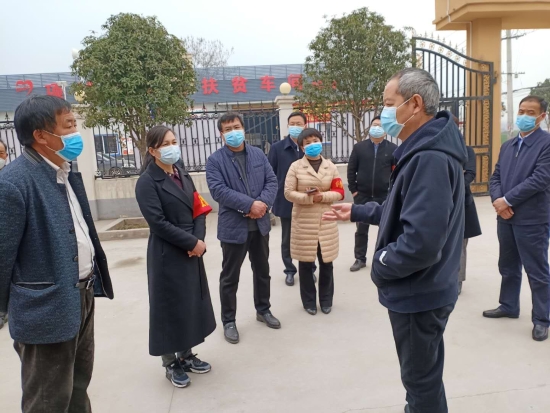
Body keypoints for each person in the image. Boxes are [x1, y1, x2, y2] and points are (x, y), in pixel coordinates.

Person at [323, 68, 466, 413]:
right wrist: (359, 211)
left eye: (389, 104)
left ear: (414, 104)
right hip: (427, 287)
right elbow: (404, 210)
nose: (384, 113)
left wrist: (381, 265)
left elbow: (421, 243)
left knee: (420, 383)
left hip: (419, 292)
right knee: (424, 377)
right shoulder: (424, 149)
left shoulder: (429, 158)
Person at [0, 95, 114, 413]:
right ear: (41, 135)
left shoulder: (64, 172)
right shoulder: (13, 183)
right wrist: (13, 309)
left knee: (77, 386)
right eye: (69, 125)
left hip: (82, 295)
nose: (76, 133)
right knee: (47, 400)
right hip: (44, 309)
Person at [135, 126, 216, 388]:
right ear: (152, 151)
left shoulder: (183, 173)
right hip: (166, 253)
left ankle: (186, 354)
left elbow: (199, 208)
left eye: (174, 141)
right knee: (168, 307)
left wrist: (198, 240)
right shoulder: (147, 182)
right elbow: (157, 223)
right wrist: (191, 242)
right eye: (165, 144)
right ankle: (170, 362)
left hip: (192, 248)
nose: (172, 147)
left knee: (189, 302)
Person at [206, 112, 280, 344]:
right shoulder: (215, 161)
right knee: (230, 277)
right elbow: (218, 190)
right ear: (221, 134)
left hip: (260, 226)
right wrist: (250, 205)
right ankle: (229, 321)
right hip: (233, 228)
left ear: (243, 129)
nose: (233, 132)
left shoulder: (258, 154)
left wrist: (262, 205)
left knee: (262, 271)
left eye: (236, 127)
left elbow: (272, 181)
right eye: (228, 129)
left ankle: (263, 309)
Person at [484, 95, 550, 342]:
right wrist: (498, 201)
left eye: (531, 112)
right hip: (506, 217)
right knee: (508, 265)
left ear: (542, 116)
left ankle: (541, 319)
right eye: (522, 111)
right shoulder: (508, 145)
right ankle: (509, 305)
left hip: (532, 218)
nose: (524, 116)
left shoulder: (546, 144)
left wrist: (507, 200)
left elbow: (540, 179)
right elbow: (496, 177)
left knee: (537, 270)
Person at [284, 128, 344, 315]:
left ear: (321, 142)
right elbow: (288, 193)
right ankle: (309, 302)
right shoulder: (295, 167)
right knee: (305, 263)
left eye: (315, 141)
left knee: (326, 262)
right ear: (302, 147)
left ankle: (326, 300)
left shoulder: (330, 166)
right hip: (304, 221)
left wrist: (322, 196)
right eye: (307, 143)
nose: (312, 145)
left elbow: (339, 192)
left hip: (326, 219)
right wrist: (309, 198)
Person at [268, 111, 316, 286]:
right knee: (287, 238)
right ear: (288, 126)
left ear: (305, 125)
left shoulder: (311, 147)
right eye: (292, 124)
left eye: (299, 123)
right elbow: (270, 175)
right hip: (285, 200)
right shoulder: (277, 148)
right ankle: (289, 270)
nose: (295, 127)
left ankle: (309, 269)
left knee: (309, 237)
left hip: (308, 201)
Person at [347, 116, 397, 272]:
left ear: (386, 130)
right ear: (370, 128)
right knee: (361, 230)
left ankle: (384, 258)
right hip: (362, 195)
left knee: (386, 228)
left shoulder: (393, 149)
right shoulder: (359, 148)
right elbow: (351, 170)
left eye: (381, 126)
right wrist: (354, 191)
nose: (377, 128)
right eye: (375, 125)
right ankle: (360, 258)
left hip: (384, 196)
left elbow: (396, 173)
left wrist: (392, 192)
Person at [453, 116, 482, 295]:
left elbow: (469, 174)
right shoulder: (435, 150)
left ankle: (457, 280)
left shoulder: (466, 151)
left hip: (461, 203)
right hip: (439, 204)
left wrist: (451, 185)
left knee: (460, 244)